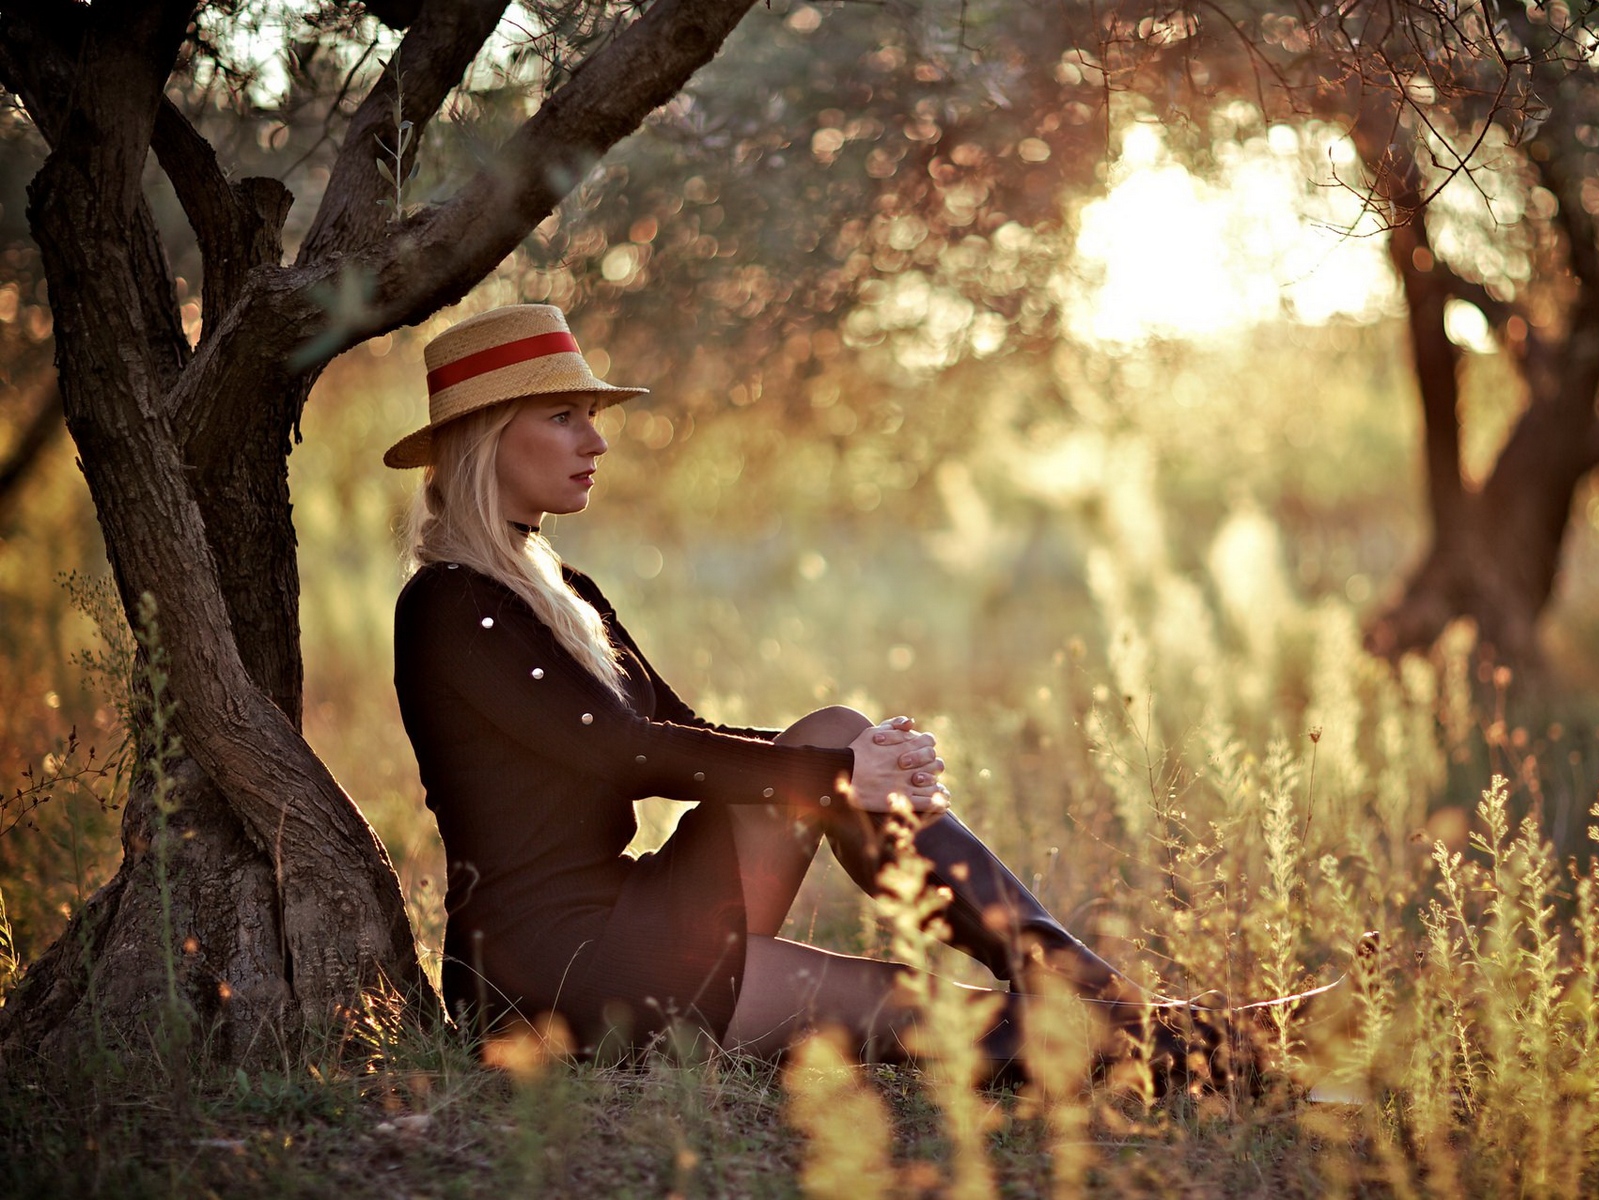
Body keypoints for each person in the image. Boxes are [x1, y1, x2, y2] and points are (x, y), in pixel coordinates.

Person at [386, 304, 1272, 1086]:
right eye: (564, 416)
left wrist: (855, 762)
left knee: (838, 730)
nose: (597, 441)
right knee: (912, 998)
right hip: (553, 974)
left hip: (629, 912)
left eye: (592, 415)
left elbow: (678, 727)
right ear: (489, 436)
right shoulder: (449, 604)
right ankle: (1216, 1049)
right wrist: (841, 776)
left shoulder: (558, 586)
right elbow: (626, 752)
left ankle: (1097, 991)